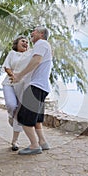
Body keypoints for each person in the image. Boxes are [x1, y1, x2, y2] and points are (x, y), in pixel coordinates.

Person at [11, 26, 52, 155]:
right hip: (42, 87)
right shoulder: (45, 46)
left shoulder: (41, 43)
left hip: (36, 86)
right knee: (36, 119)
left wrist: (19, 75)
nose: (31, 34)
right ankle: (42, 142)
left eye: (34, 31)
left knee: (23, 117)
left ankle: (34, 145)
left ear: (40, 34)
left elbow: (36, 61)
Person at [2, 35, 32, 151]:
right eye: (22, 41)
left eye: (27, 42)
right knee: (11, 105)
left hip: (22, 86)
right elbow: (7, 67)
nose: (25, 43)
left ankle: (15, 141)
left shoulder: (30, 55)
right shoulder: (11, 53)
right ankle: (10, 115)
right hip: (9, 83)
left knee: (19, 114)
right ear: (17, 43)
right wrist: (13, 76)